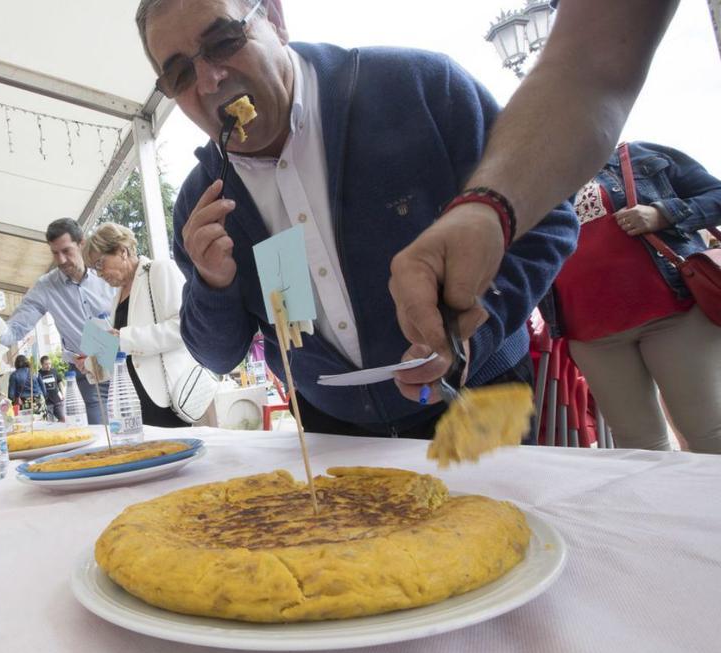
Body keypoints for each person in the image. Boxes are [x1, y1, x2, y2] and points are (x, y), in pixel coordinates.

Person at [136, 0, 578, 437]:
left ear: (274, 18)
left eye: (224, 40)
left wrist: (472, 332)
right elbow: (217, 356)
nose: (210, 80)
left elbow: (548, 221)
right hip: (334, 435)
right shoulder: (201, 202)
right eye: (179, 73)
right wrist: (213, 285)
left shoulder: (418, 87)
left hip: (476, 402)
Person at [388, 0, 682, 386]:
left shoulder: (642, 157)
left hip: (663, 310)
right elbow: (591, 67)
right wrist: (488, 209)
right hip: (590, 326)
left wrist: (663, 212)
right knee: (637, 441)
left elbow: (594, 68)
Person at [552, 142, 721, 452]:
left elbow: (716, 195)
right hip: (591, 335)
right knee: (637, 449)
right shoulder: (536, 184)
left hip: (675, 316)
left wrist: (663, 213)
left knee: (708, 434)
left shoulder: (640, 155)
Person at [0, 218, 115, 423]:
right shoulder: (46, 286)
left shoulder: (107, 274)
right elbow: (17, 327)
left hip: (126, 365)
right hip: (87, 373)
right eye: (54, 252)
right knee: (102, 432)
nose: (60, 260)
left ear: (81, 243)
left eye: (66, 251)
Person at [84, 223, 194, 429]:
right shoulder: (117, 296)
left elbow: (183, 328)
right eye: (94, 269)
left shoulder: (160, 269)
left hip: (167, 397)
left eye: (100, 264)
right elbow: (123, 349)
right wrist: (92, 362)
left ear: (122, 251)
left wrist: (124, 339)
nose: (99, 274)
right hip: (133, 401)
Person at [37, 355, 66, 422]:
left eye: (49, 363)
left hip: (57, 400)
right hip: (47, 402)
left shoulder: (54, 371)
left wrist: (63, 394)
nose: (48, 366)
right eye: (46, 364)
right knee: (50, 422)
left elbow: (60, 382)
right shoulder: (39, 374)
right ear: (41, 364)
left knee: (63, 418)